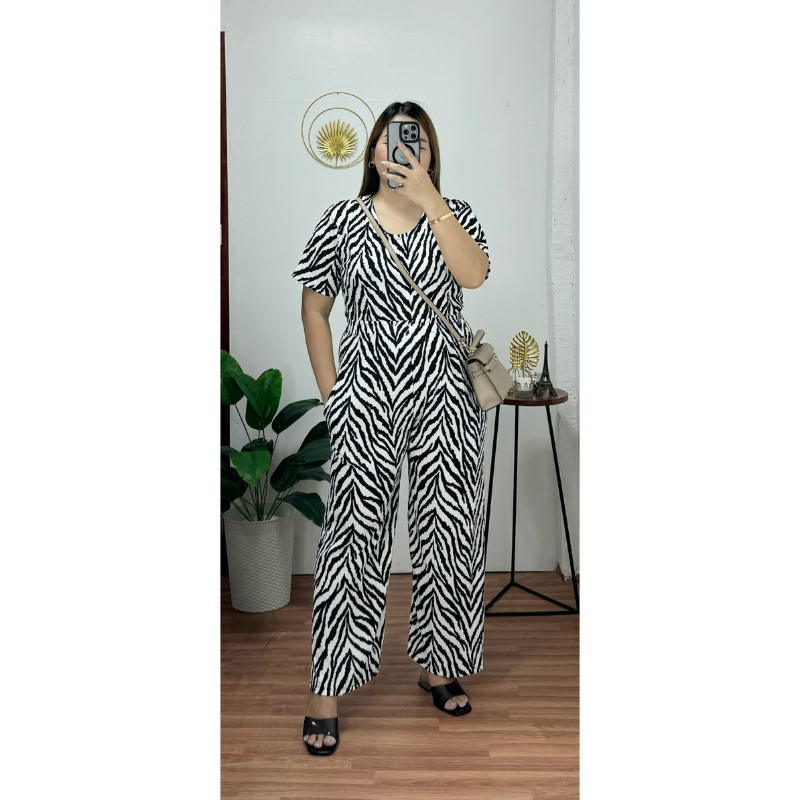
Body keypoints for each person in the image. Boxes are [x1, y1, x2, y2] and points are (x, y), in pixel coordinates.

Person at [292, 101, 491, 755]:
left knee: (448, 536)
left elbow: (473, 276)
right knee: (352, 540)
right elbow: (315, 308)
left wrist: (432, 200)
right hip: (367, 399)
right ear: (371, 151)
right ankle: (326, 689)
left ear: (430, 153)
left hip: (446, 398)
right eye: (390, 138)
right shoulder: (342, 220)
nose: (402, 149)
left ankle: (440, 664)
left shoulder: (455, 215)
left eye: (417, 140)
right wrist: (333, 392)